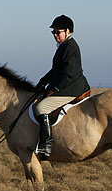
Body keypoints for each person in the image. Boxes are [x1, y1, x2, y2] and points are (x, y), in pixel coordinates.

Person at [35, 15, 90, 158]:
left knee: (41, 108)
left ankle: (46, 145)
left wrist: (55, 90)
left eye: (57, 32)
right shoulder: (64, 46)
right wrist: (42, 82)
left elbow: (68, 74)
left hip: (71, 88)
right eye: (53, 32)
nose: (55, 35)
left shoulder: (70, 47)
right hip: (67, 85)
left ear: (68, 31)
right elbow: (56, 70)